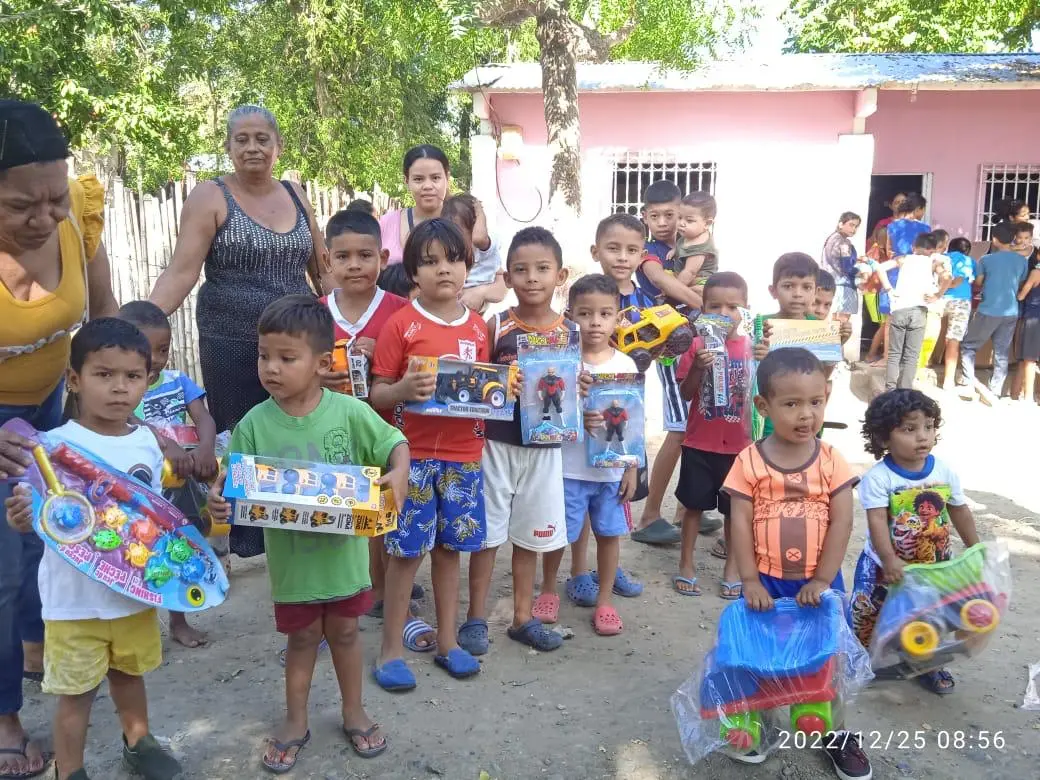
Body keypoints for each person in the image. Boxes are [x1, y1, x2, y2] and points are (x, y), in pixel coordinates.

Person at [206, 295, 407, 772]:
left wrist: (398, 473)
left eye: (285, 357)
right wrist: (219, 500)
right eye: (263, 355)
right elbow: (230, 480)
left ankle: (354, 711)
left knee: (345, 633)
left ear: (322, 363)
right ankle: (295, 722)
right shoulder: (254, 423)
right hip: (293, 566)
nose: (270, 368)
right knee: (301, 641)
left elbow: (395, 445)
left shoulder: (350, 413)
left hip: (345, 560)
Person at [0, 99, 121, 778]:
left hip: (51, 402)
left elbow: (101, 313)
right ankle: (5, 720)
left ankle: (33, 642)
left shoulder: (74, 210)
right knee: (0, 567)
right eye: (22, 205)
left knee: (55, 537)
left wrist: (112, 403)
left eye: (53, 198)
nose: (45, 217)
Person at [6, 319, 182, 780]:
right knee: (75, 693)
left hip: (131, 593)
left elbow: (157, 514)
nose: (120, 388)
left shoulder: (147, 441)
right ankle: (71, 770)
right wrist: (22, 517)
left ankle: (139, 742)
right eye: (104, 375)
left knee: (129, 675)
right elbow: (31, 516)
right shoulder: (52, 448)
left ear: (148, 379)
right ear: (74, 379)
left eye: (132, 376)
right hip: (73, 602)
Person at [149, 105, 326, 560]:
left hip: (298, 346)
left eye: (262, 139)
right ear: (228, 147)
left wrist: (346, 325)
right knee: (241, 437)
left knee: (297, 431)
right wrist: (140, 324)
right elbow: (181, 272)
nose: (253, 148)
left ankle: (298, 529)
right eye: (242, 139)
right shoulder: (210, 197)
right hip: (230, 342)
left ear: (278, 146)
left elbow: (324, 273)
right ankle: (245, 539)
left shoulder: (296, 195)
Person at [722, 348, 871, 779]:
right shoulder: (749, 461)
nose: (806, 414)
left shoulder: (830, 460)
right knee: (762, 654)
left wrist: (824, 578)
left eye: (815, 402)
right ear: (764, 407)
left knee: (826, 657)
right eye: (791, 404)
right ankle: (761, 725)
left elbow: (843, 520)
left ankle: (836, 733)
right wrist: (749, 580)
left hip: (819, 587)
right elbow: (740, 521)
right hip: (766, 581)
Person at [370, 219, 488, 691]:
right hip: (412, 458)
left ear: (467, 266)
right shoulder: (401, 324)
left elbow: (487, 388)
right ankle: (389, 651)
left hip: (464, 458)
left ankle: (448, 642)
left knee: (448, 551)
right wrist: (402, 388)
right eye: (431, 261)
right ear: (413, 272)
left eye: (454, 259)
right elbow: (377, 393)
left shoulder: (479, 327)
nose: (445, 270)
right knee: (404, 553)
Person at [313, 210, 432, 644]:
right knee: (338, 514)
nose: (355, 265)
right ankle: (337, 596)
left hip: (386, 431)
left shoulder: (403, 313)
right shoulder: (314, 315)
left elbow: (416, 366)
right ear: (327, 261)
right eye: (343, 256)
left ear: (383, 257)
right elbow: (294, 367)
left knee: (382, 517)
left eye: (365, 255)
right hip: (330, 433)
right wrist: (316, 375)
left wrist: (383, 353)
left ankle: (383, 594)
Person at [468, 227, 573, 653]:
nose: (532, 278)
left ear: (560, 275)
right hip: (496, 446)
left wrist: (579, 388)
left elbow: (575, 394)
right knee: (487, 537)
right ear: (506, 278)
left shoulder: (572, 333)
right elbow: (474, 385)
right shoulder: (495, 326)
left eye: (542, 269)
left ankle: (522, 617)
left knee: (531, 537)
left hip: (546, 452)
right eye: (521, 270)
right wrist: (496, 387)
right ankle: (475, 618)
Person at [850, 389, 980, 696]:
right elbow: (878, 521)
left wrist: (975, 549)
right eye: (909, 429)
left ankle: (927, 665)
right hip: (884, 568)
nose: (922, 436)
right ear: (883, 438)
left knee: (929, 617)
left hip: (933, 567)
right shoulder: (879, 478)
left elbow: (959, 510)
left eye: (929, 427)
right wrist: (889, 559)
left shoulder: (943, 470)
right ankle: (856, 661)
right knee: (867, 615)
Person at [116, 301, 219, 650]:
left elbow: (204, 418)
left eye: (163, 348)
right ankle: (135, 623)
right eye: (147, 350)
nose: (157, 358)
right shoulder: (125, 386)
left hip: (182, 481)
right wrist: (164, 445)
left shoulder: (178, 381)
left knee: (183, 544)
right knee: (141, 549)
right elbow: (129, 420)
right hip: (143, 483)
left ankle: (178, 620)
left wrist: (205, 449)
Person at [540, 274, 638, 635]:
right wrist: (576, 412)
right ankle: (549, 590)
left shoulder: (626, 366)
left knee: (609, 535)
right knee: (557, 535)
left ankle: (605, 601)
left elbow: (634, 423)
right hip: (567, 467)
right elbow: (545, 413)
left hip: (611, 473)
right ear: (570, 316)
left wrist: (632, 468)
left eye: (604, 313)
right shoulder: (560, 363)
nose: (595, 322)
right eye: (585, 313)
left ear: (618, 317)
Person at [675, 272, 765, 598]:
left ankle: (732, 567)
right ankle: (686, 563)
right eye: (715, 307)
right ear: (702, 310)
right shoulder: (695, 346)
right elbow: (685, 393)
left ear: (745, 310)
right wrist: (698, 367)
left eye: (733, 307)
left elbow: (768, 394)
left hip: (740, 448)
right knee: (692, 507)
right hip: (699, 442)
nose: (724, 314)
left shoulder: (754, 349)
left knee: (734, 511)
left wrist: (766, 362)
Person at [378, 145, 504, 311]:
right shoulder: (387, 224)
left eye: (435, 178)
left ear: (447, 178)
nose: (428, 186)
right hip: (397, 322)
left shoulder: (465, 222)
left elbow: (500, 281)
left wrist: (479, 292)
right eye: (418, 179)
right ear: (406, 180)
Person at [957, 221, 1031, 402]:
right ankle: (995, 389)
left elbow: (979, 282)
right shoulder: (1021, 261)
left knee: (968, 345)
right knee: (1001, 352)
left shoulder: (985, 260)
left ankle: (968, 382)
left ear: (994, 240)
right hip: (1011, 311)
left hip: (989, 309)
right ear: (1013, 239)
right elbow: (1020, 281)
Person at [881, 232, 946, 391]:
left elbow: (880, 268)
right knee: (911, 355)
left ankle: (890, 389)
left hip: (900, 309)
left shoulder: (903, 259)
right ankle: (905, 390)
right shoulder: (933, 262)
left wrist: (889, 289)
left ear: (913, 247)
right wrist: (938, 295)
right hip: (919, 311)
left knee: (894, 354)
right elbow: (948, 277)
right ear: (932, 249)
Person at [441, 194, 507, 314]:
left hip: (475, 303)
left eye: (459, 232)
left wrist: (480, 213)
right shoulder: (447, 248)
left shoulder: (485, 247)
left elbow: (501, 288)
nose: (454, 240)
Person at [939, 237, 976, 391]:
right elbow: (958, 282)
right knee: (954, 340)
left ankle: (922, 367)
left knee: (929, 334)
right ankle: (948, 381)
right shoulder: (968, 261)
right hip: (961, 301)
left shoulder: (941, 258)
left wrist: (939, 292)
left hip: (939, 299)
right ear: (967, 250)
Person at [671, 191, 718, 293]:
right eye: (679, 217)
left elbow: (690, 272)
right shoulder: (692, 234)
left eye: (689, 220)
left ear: (707, 223)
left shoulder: (699, 248)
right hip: (685, 276)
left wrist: (673, 290)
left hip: (700, 281)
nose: (682, 223)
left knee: (697, 291)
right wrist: (675, 250)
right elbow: (683, 244)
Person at [1014, 227, 1040, 403]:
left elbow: (1022, 295)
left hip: (1032, 317)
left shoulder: (1036, 272)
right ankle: (1018, 394)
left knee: (1028, 358)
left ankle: (1028, 397)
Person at [821, 212, 861, 320]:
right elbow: (847, 267)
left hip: (830, 284)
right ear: (841, 224)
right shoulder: (844, 242)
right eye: (851, 225)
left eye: (856, 226)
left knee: (832, 321)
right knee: (843, 322)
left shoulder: (831, 238)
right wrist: (861, 273)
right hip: (844, 286)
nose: (854, 229)